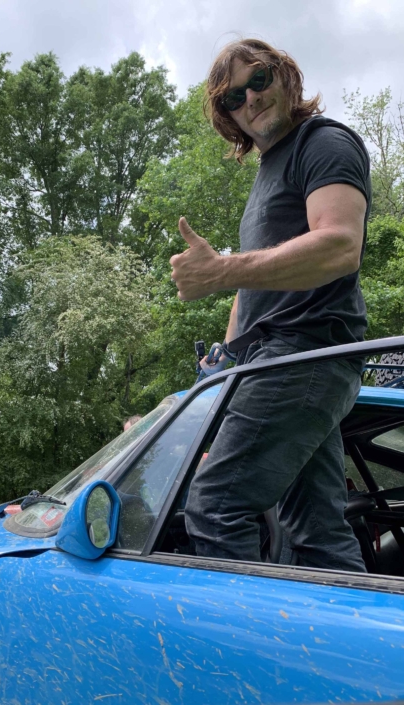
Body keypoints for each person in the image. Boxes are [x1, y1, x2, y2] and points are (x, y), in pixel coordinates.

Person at [170, 38, 371, 572]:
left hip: (304, 354)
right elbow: (255, 287)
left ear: (284, 76)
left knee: (214, 507)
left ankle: (240, 654)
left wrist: (220, 270)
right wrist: (222, 362)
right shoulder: (267, 173)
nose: (250, 99)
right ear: (226, 117)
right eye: (233, 98)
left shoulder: (322, 143)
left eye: (257, 80)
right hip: (281, 361)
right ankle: (356, 651)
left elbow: (339, 245)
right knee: (316, 531)